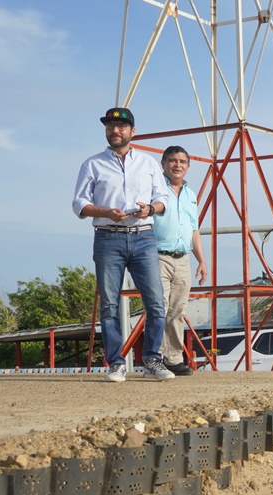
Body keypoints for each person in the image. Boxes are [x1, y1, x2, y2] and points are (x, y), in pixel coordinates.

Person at [72, 107, 174, 383]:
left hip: (143, 237)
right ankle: (116, 363)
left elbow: (162, 199)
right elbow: (79, 204)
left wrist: (150, 209)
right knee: (109, 305)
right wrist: (105, 211)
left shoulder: (149, 163)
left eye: (121, 126)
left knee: (155, 301)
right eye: (110, 126)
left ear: (132, 131)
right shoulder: (92, 164)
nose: (114, 131)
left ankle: (153, 359)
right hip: (108, 237)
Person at [153, 145, 208, 376]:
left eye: (182, 161)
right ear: (163, 163)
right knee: (158, 308)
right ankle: (153, 358)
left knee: (177, 310)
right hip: (157, 255)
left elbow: (194, 230)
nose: (177, 165)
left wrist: (202, 261)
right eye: (173, 161)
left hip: (182, 257)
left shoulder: (190, 194)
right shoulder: (154, 189)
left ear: (188, 166)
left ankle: (173, 359)